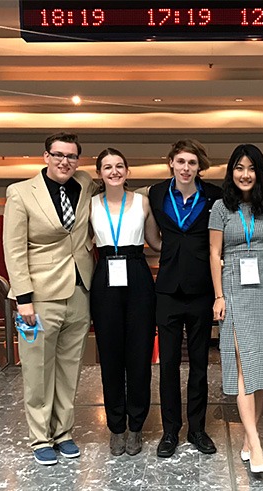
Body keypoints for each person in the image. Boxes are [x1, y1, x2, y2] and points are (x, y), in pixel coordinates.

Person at [3, 132, 95, 465]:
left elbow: (117, 189)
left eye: (71, 156)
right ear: (45, 156)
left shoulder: (85, 183)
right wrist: (23, 299)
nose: (64, 162)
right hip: (39, 296)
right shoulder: (20, 193)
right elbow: (14, 250)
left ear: (78, 161)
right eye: (58, 155)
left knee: (70, 368)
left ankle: (64, 432)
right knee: (38, 368)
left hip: (80, 290)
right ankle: (40, 437)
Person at [209, 144, 263, 474]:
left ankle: (247, 440)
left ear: (260, 172)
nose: (245, 174)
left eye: (251, 168)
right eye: (239, 168)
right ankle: (255, 442)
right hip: (233, 287)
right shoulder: (220, 207)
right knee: (243, 365)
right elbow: (214, 254)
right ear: (231, 172)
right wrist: (218, 296)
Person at [148, 139, 223, 458]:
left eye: (192, 163)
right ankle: (169, 432)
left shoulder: (214, 196)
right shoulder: (156, 193)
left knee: (199, 365)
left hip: (201, 290)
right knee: (167, 366)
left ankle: (197, 429)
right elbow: (153, 236)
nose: (186, 167)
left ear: (199, 167)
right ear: (171, 163)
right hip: (166, 290)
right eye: (181, 161)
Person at [89, 148, 162, 456]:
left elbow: (156, 242)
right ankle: (116, 427)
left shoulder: (143, 203)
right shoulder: (91, 205)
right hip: (105, 274)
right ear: (100, 173)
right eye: (108, 167)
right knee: (110, 356)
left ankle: (136, 426)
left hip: (137, 274)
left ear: (128, 171)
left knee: (139, 355)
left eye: (120, 166)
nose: (115, 171)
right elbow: (81, 244)